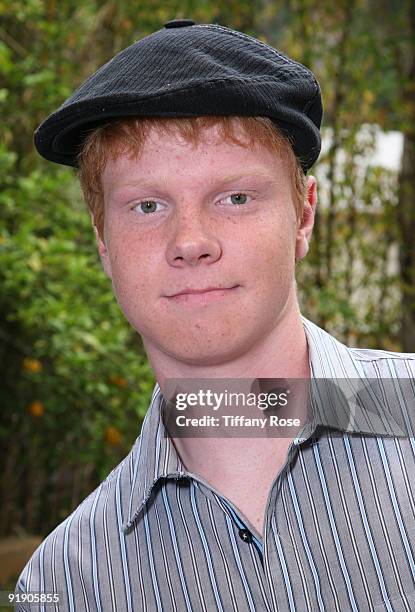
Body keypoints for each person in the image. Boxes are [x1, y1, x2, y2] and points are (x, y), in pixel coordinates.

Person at [15, 19, 415, 612]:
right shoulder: (70, 581)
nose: (191, 240)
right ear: (103, 240)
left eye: (235, 197)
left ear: (304, 217)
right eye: (147, 205)